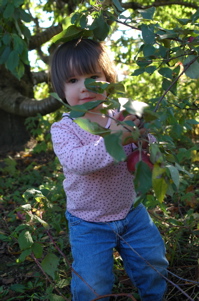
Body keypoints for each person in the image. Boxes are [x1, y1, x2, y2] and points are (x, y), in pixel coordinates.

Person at [50, 38, 168, 301]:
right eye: (73, 81)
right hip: (88, 222)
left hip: (132, 212)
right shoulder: (64, 128)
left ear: (109, 79)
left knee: (153, 266)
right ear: (61, 88)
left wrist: (144, 136)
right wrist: (115, 136)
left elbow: (147, 152)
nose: (85, 87)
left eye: (94, 76)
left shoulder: (122, 114)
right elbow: (79, 163)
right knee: (93, 284)